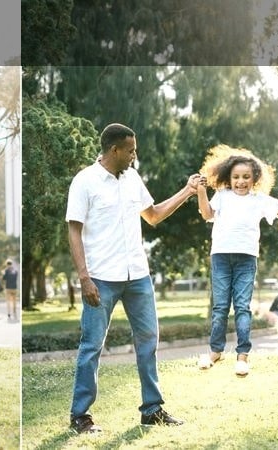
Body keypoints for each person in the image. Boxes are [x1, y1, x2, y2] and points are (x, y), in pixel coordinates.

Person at [66, 123, 201, 433]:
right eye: (130, 150)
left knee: (148, 342)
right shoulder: (85, 181)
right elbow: (73, 230)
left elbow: (152, 215)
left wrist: (187, 191)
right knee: (91, 346)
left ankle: (152, 410)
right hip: (101, 277)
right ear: (114, 149)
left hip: (138, 275)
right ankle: (80, 416)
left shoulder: (132, 178)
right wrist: (84, 277)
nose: (134, 155)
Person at [194, 145, 278, 377]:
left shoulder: (259, 200)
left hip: (246, 259)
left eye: (246, 177)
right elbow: (206, 214)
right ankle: (215, 351)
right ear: (228, 178)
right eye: (236, 177)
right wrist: (201, 192)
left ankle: (242, 356)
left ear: (254, 179)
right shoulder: (222, 196)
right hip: (221, 256)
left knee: (242, 307)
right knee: (221, 307)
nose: (240, 181)